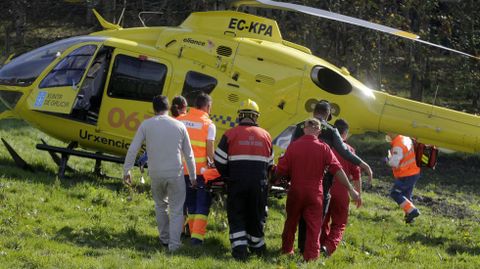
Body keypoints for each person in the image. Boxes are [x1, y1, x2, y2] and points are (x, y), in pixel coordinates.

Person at [291, 100, 373, 253]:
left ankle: (298, 247)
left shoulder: (300, 126)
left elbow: (290, 151)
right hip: (323, 181)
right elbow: (345, 152)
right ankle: (310, 250)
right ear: (328, 115)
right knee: (317, 218)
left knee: (300, 215)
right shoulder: (331, 131)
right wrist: (364, 165)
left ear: (314, 112)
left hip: (300, 178)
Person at [276, 118, 361, 261]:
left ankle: (287, 250)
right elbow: (338, 170)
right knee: (314, 226)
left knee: (291, 222)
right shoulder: (324, 148)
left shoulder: (294, 146)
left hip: (296, 191)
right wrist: (351, 189)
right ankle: (311, 256)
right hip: (315, 193)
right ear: (319, 132)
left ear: (304, 129)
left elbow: (281, 169)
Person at [123, 95, 196, 252]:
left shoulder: (146, 125)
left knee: (160, 206)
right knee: (177, 210)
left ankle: (164, 239)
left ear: (153, 108)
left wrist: (127, 170)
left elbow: (133, 148)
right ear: (169, 108)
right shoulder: (180, 125)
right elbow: (189, 154)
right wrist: (193, 176)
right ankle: (174, 245)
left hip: (155, 173)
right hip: (175, 173)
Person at [214, 99, 273, 261]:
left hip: (236, 182)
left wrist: (227, 176)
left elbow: (218, 160)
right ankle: (257, 248)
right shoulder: (266, 136)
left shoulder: (230, 134)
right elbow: (270, 165)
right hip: (259, 184)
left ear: (240, 116)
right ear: (256, 117)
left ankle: (240, 250)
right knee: (256, 214)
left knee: (237, 213)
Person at [177, 93, 216, 245]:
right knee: (201, 204)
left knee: (186, 203)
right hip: (200, 172)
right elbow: (210, 152)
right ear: (207, 106)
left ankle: (183, 233)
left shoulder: (180, 120)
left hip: (180, 170)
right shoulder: (209, 125)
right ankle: (197, 239)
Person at [320, 119, 362, 257]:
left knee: (323, 219)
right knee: (339, 223)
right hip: (342, 191)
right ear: (345, 134)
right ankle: (329, 247)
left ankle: (320, 244)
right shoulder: (349, 151)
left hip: (324, 189)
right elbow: (356, 176)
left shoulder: (326, 147)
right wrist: (358, 195)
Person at [386, 133, 421, 223]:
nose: (387, 134)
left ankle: (413, 211)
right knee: (406, 195)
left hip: (406, 174)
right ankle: (409, 218)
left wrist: (387, 161)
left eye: (388, 132)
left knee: (395, 193)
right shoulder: (405, 137)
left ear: (393, 133)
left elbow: (394, 163)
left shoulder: (398, 145)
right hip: (414, 171)